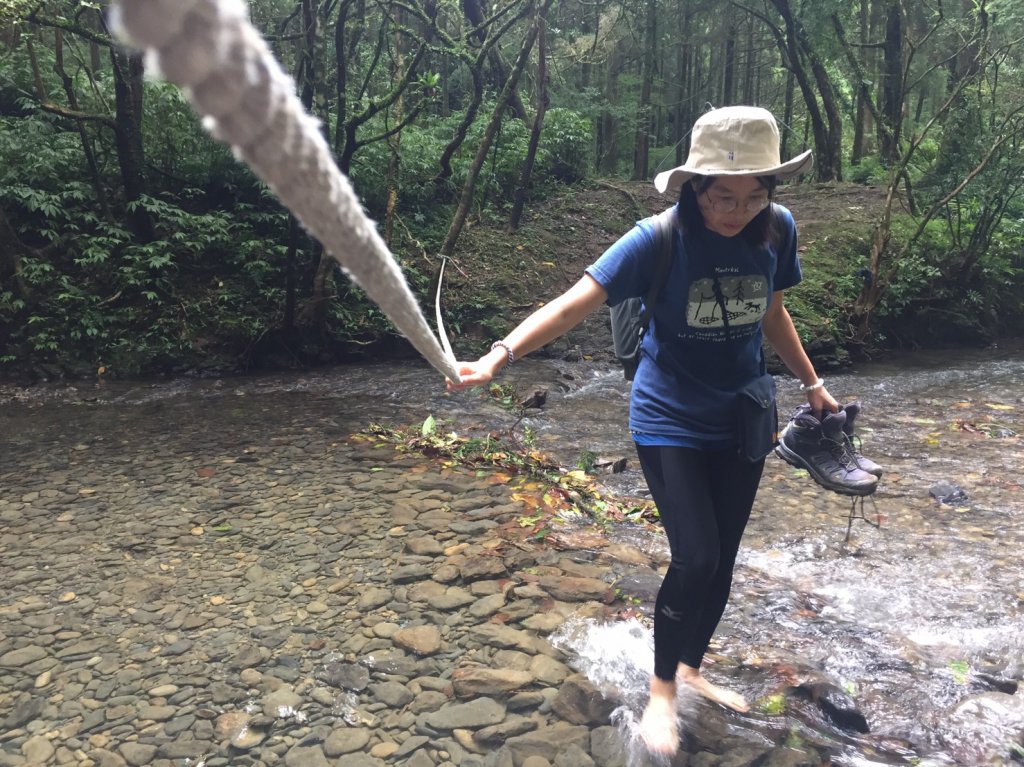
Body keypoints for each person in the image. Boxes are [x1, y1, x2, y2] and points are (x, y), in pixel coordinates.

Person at [446, 105, 838, 756]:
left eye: (753, 195)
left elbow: (772, 312)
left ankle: (691, 669)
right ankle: (662, 690)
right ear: (694, 187)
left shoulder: (778, 231)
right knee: (697, 556)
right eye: (722, 196)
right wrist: (498, 355)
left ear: (771, 192)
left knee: (723, 563)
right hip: (669, 415)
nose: (736, 210)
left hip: (743, 409)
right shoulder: (655, 238)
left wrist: (812, 383)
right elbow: (575, 301)